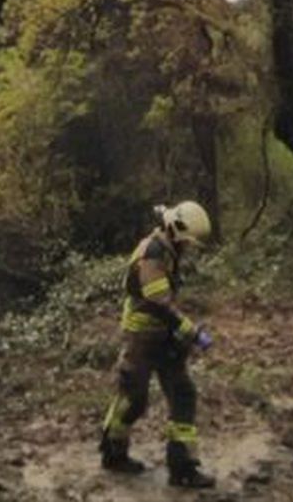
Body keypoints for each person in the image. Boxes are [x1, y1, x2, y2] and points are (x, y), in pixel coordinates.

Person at [99, 201, 216, 488]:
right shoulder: (152, 254)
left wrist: (180, 333)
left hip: (163, 337)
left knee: (183, 393)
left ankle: (182, 466)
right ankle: (113, 451)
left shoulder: (167, 248)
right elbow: (159, 304)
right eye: (189, 242)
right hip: (141, 338)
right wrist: (190, 331)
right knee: (134, 397)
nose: (190, 248)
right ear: (177, 230)